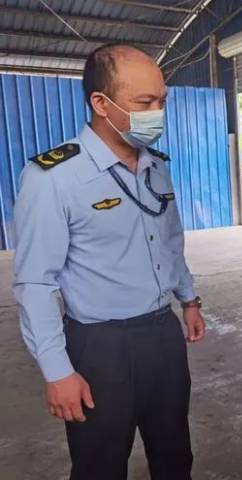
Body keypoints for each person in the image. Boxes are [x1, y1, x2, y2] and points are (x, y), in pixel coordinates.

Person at [13, 43, 205, 480]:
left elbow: (169, 241)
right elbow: (35, 283)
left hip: (162, 334)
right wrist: (57, 370)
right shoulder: (54, 177)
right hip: (100, 347)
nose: (157, 112)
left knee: (175, 456)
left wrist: (188, 300)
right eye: (144, 103)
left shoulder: (155, 166)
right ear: (101, 103)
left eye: (162, 101)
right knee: (100, 464)